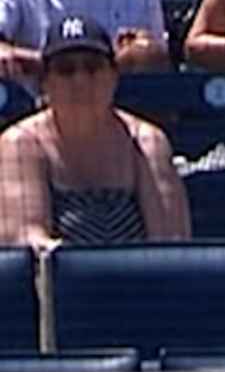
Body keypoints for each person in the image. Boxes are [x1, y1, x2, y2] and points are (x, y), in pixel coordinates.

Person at [0, 18, 188, 247]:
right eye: (66, 69)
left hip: (139, 279)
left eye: (92, 67)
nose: (80, 79)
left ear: (113, 76)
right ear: (45, 84)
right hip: (55, 281)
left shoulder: (146, 142)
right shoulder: (21, 143)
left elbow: (171, 242)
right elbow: (26, 239)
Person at [0, 0, 168, 82]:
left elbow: (159, 56)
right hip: (33, 110)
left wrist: (142, 53)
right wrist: (52, 64)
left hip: (121, 115)